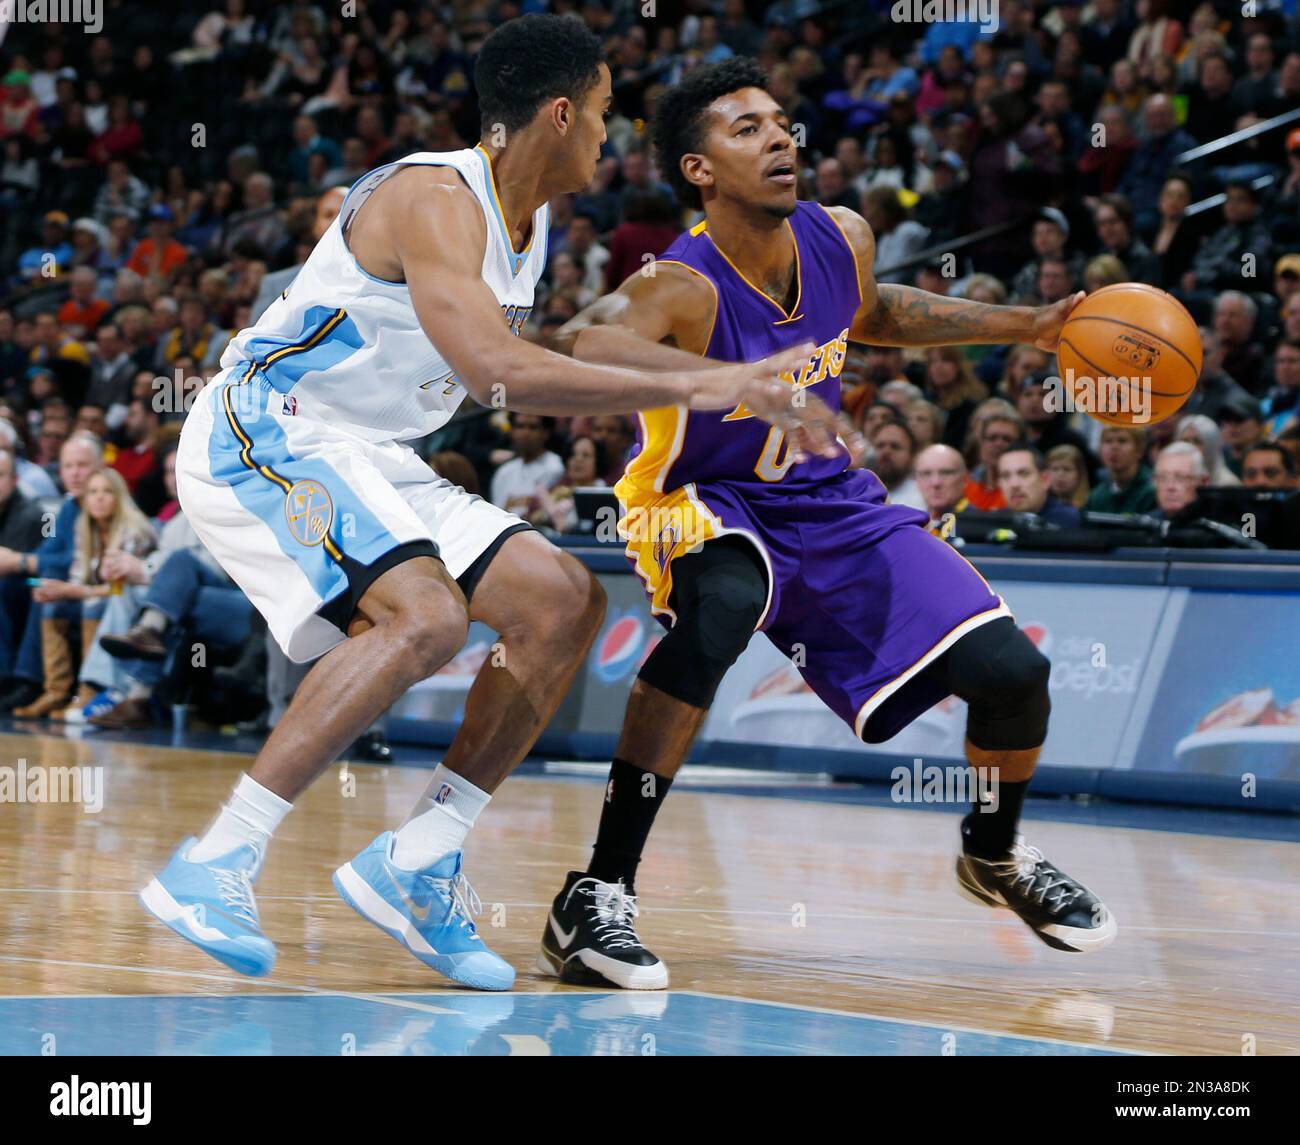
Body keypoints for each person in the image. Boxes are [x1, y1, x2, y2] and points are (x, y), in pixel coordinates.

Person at [140, 17, 822, 991]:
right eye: (599, 112)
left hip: (369, 450)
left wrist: (702, 372)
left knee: (559, 600)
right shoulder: (434, 196)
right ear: (555, 114)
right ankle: (217, 859)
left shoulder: (527, 223)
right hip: (266, 426)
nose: (607, 131)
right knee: (423, 615)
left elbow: (538, 364)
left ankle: (417, 860)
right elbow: (496, 371)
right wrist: (713, 383)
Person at [546, 58, 1115, 990]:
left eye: (782, 122)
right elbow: (583, 337)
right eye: (747, 129)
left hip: (830, 501)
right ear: (698, 169)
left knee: (1017, 674)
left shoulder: (841, 235)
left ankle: (995, 851)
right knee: (721, 604)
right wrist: (716, 381)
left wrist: (1027, 325)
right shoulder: (681, 284)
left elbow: (878, 311)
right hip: (699, 496)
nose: (780, 138)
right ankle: (597, 892)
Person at [997, 443, 1083, 527]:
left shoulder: (1071, 522)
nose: (1014, 484)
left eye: (1024, 474)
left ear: (1045, 480)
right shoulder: (994, 522)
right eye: (1005, 476)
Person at [1086, 426, 1157, 513]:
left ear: (1139, 450)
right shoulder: (1097, 496)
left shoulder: (1153, 491)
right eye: (1108, 441)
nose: (1114, 447)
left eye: (1122, 441)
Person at [1151, 440, 1209, 519]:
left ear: (1203, 482)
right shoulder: (1143, 526)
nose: (1170, 487)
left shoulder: (1215, 527)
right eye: (1163, 478)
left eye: (1180, 478)